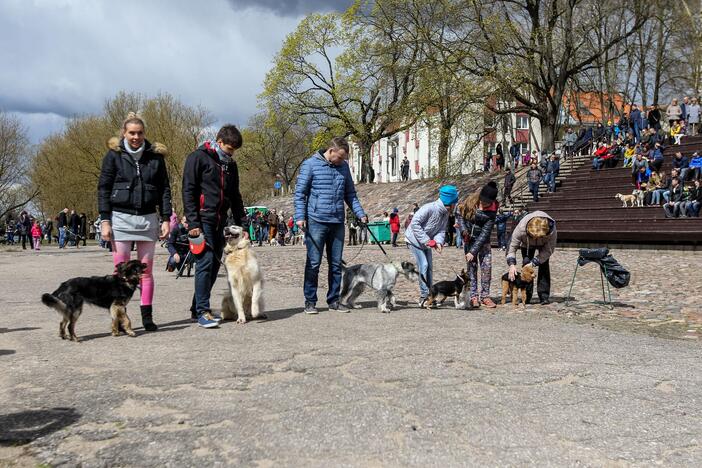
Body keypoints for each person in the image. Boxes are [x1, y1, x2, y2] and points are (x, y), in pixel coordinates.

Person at [98, 113, 172, 332]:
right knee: (119, 271)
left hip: (148, 218)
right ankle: (119, 318)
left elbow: (164, 190)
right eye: (131, 133)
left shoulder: (155, 158)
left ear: (144, 134)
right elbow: (103, 188)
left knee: (146, 271)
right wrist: (105, 220)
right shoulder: (113, 156)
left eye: (139, 133)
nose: (135, 137)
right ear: (124, 133)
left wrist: (166, 218)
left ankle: (147, 317)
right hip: (120, 217)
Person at [294, 137, 367, 314]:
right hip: (316, 220)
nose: (342, 161)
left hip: (337, 222)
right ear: (331, 151)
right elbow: (300, 193)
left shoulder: (343, 167)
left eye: (344, 159)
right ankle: (310, 301)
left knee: (336, 265)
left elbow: (350, 194)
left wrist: (360, 213)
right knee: (313, 263)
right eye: (340, 157)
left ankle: (334, 300)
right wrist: (300, 217)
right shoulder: (310, 164)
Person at [183, 124, 246, 328]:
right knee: (205, 262)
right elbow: (188, 190)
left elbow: (235, 196)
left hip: (221, 220)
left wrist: (241, 223)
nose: (232, 153)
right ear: (219, 142)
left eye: (234, 150)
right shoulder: (198, 158)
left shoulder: (231, 165)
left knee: (214, 265)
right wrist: (193, 222)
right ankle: (203, 311)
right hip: (202, 219)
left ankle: (196, 308)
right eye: (229, 149)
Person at [405, 185, 458, 307]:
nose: (456, 205)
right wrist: (427, 240)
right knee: (423, 265)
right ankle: (424, 297)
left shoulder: (445, 213)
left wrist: (439, 242)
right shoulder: (429, 208)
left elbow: (441, 230)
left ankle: (431, 295)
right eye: (455, 202)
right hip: (414, 240)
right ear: (449, 202)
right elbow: (415, 224)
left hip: (426, 243)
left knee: (429, 267)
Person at [457, 182, 498, 309]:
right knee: (471, 269)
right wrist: (464, 231)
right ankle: (473, 296)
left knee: (486, 268)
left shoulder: (492, 210)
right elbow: (460, 214)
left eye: (487, 202)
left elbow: (485, 233)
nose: (484, 204)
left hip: (483, 241)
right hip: (469, 239)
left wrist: (473, 251)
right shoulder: (471, 201)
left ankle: (485, 296)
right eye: (483, 201)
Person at [506, 211, 557, 305]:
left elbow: (548, 251)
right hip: (526, 244)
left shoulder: (551, 230)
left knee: (544, 265)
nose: (535, 239)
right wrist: (511, 264)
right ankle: (527, 296)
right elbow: (511, 248)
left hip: (544, 244)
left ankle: (544, 296)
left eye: (537, 237)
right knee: (526, 266)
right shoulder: (520, 228)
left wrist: (535, 262)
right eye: (533, 236)